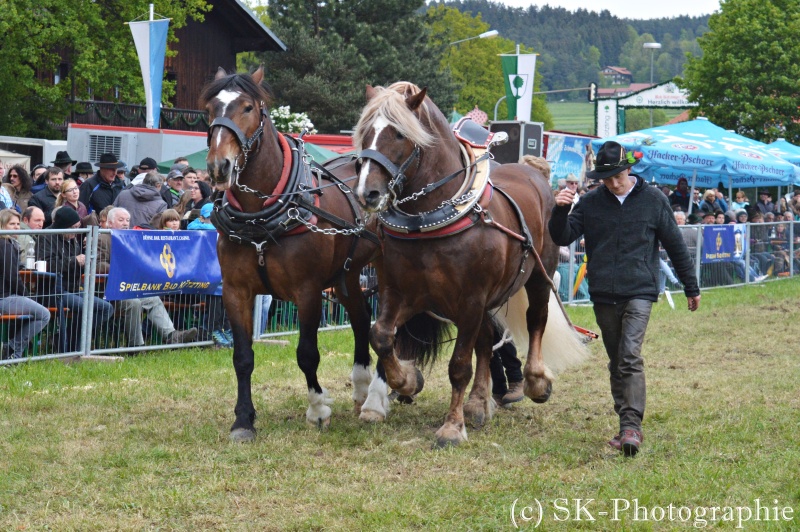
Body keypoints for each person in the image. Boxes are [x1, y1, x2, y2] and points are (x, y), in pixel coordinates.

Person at [548, 141, 700, 457]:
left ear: (629, 169)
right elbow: (562, 236)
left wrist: (691, 287)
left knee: (630, 354)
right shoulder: (590, 203)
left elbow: (675, 245)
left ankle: (632, 426)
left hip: (640, 290)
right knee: (616, 360)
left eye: (617, 176)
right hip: (603, 292)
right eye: (606, 178)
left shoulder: (654, 200)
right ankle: (624, 425)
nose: (613, 183)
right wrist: (560, 209)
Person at [96, 207, 198, 349]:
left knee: (153, 298)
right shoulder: (102, 238)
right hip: (110, 291)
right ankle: (136, 346)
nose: (125, 223)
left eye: (127, 220)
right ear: (110, 223)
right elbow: (97, 265)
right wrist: (119, 268)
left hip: (132, 287)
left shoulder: (132, 238)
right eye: (121, 220)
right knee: (134, 303)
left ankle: (172, 336)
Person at [38, 207, 114, 352]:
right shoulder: (46, 237)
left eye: (78, 227)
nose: (76, 231)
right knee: (86, 308)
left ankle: (70, 340)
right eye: (73, 228)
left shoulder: (73, 239)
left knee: (106, 308)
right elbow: (46, 265)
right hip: (53, 291)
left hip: (73, 288)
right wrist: (74, 261)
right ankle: (72, 346)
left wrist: (88, 258)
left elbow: (78, 263)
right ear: (63, 226)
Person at [0, 209, 51, 360]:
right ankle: (13, 349)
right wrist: (25, 294)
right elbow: (12, 277)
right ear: (2, 225)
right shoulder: (5, 245)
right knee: (44, 314)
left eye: (17, 224)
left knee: (34, 308)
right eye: (11, 224)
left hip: (8, 295)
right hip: (5, 298)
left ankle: (13, 348)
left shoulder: (9, 243)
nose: (16, 227)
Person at [185, 203, 230, 346]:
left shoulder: (221, 230)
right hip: (204, 276)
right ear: (201, 218)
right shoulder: (195, 227)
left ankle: (226, 329)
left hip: (219, 272)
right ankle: (213, 330)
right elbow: (195, 228)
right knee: (214, 303)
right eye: (211, 218)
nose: (214, 222)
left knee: (226, 303)